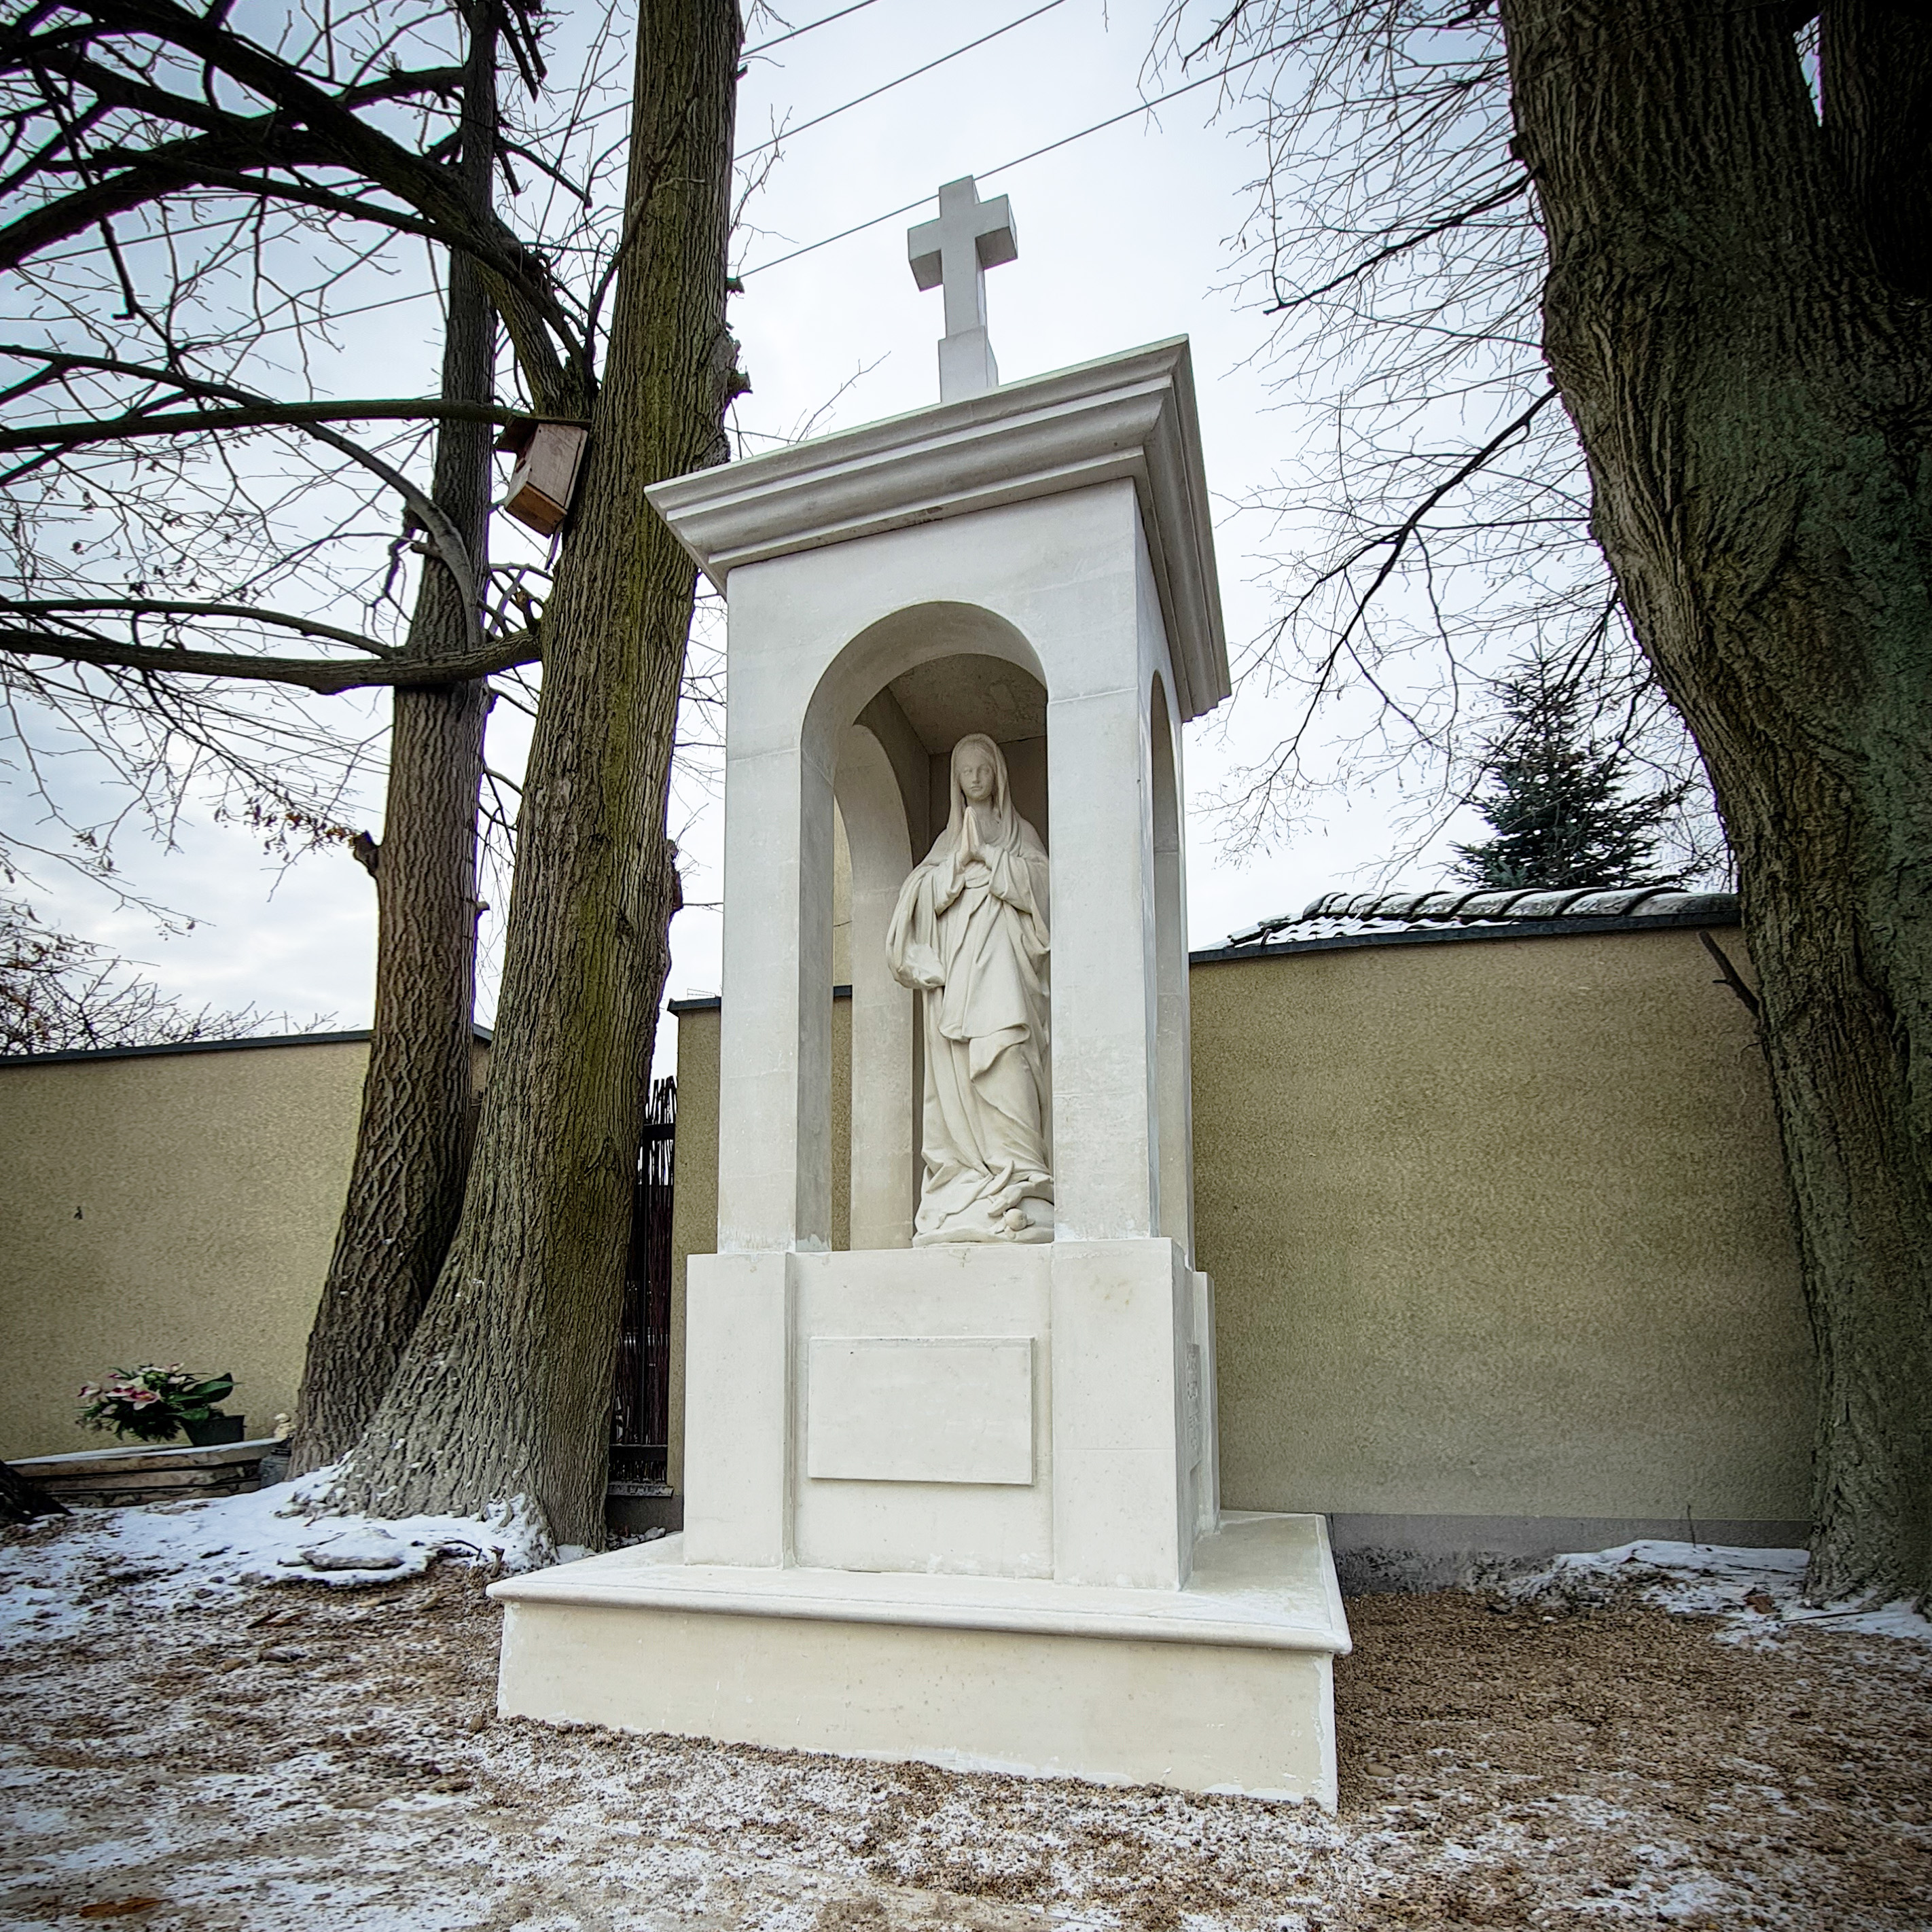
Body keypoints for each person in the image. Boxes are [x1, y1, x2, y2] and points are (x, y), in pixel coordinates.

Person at [885, 732, 1052, 1244]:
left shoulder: (1019, 834)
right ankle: (970, 1176)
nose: (976, 779)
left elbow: (1047, 889)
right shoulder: (947, 841)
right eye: (966, 772)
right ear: (956, 782)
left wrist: (993, 859)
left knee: (1007, 1056)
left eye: (983, 769)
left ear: (998, 774)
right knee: (963, 1070)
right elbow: (920, 894)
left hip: (1004, 966)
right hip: (961, 970)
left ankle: (1021, 1175)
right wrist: (957, 864)